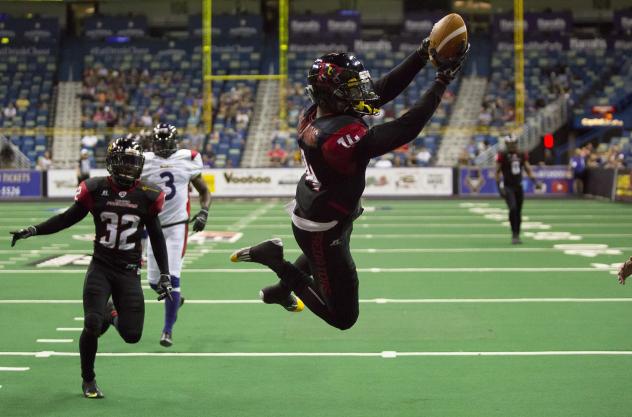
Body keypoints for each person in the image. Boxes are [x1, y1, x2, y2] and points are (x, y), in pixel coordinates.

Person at [231, 38, 469, 330]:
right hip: (321, 224)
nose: (361, 92)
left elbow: (379, 91)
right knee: (343, 317)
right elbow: (406, 127)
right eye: (351, 88)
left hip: (324, 205)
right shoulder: (335, 140)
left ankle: (281, 290)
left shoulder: (317, 113)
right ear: (333, 95)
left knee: (320, 259)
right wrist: (442, 80)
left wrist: (421, 55)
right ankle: (274, 260)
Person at [10, 137, 172, 399]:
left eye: (134, 163)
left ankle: (110, 312)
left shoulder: (148, 195)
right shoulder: (95, 188)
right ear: (111, 163)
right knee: (91, 323)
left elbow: (156, 236)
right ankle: (89, 379)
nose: (130, 169)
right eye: (125, 162)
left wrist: (164, 273)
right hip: (101, 266)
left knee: (132, 335)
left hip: (129, 270)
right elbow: (67, 218)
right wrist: (34, 230)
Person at [141, 123, 211, 347]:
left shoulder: (187, 158)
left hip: (177, 227)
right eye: (158, 141)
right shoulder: (144, 161)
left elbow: (204, 191)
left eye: (164, 141)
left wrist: (204, 212)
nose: (161, 145)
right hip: (153, 227)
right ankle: (176, 301)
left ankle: (167, 330)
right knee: (154, 282)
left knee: (171, 278)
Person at [495, 135, 542, 244]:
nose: (512, 146)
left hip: (518, 186)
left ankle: (517, 234)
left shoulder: (521, 154)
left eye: (513, 144)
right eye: (510, 144)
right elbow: (496, 172)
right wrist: (499, 187)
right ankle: (514, 234)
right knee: (513, 208)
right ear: (506, 144)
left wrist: (535, 181)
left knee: (519, 211)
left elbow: (527, 168)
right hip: (508, 186)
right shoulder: (502, 155)